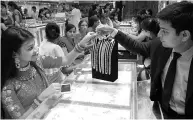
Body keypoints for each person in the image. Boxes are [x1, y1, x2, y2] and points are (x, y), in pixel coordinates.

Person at [96, 1, 193, 119]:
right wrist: (113, 32)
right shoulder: (160, 45)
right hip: (162, 110)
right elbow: (138, 47)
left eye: (165, 31)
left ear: (184, 35)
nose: (160, 34)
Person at [1, 26, 96, 119]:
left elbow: (66, 60)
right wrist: (39, 100)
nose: (36, 50)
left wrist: (83, 42)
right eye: (30, 48)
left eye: (34, 45)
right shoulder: (7, 87)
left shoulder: (38, 62)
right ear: (14, 54)